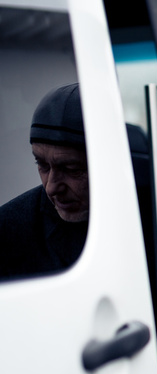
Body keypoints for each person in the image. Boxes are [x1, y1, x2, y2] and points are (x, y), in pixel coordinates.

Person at [0, 83, 89, 279]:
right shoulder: (7, 232)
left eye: (71, 169)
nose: (51, 187)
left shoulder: (153, 214)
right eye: (42, 165)